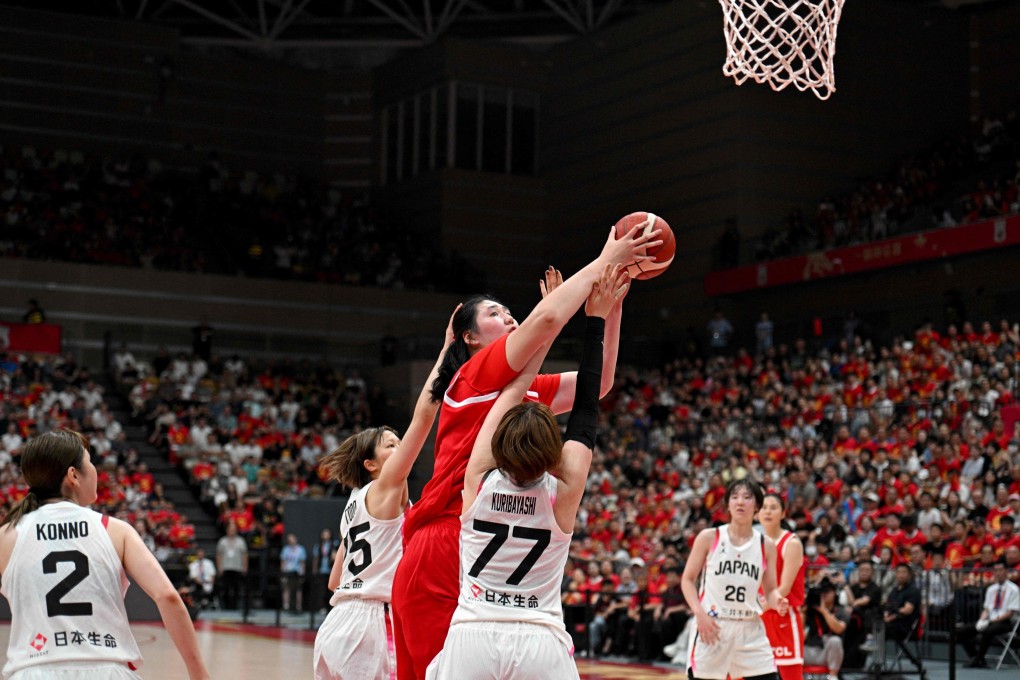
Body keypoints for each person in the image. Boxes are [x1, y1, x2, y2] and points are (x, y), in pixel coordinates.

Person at [392, 224, 659, 680]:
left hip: (481, 546)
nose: (512, 318)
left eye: (513, 312)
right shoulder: (474, 374)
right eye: (496, 314)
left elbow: (600, 384)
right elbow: (548, 321)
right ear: (470, 339)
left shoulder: (524, 390)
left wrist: (612, 308)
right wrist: (605, 261)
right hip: (444, 542)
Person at [426, 267, 625, 679]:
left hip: (475, 631)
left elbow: (518, 393)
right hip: (539, 635)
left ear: (498, 442)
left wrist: (556, 318)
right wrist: (599, 315)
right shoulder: (563, 491)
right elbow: (588, 406)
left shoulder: (477, 480)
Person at [313, 306, 457, 680]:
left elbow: (334, 580)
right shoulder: (384, 488)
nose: (399, 450)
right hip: (372, 624)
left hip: (338, 620)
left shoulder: (354, 505)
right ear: (371, 465)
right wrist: (447, 353)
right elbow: (424, 418)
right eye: (390, 446)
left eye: (398, 443)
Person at [0, 429, 209, 680]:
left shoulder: (7, 536)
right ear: (73, 475)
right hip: (108, 671)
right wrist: (199, 674)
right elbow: (168, 597)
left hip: (32, 671)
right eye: (90, 463)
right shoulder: (114, 531)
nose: (96, 472)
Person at [681, 479, 788, 680]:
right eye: (735, 497)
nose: (740, 502)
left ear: (757, 506)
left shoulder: (766, 546)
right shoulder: (709, 537)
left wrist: (777, 600)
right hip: (713, 626)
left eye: (747, 498)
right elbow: (687, 580)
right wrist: (699, 613)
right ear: (728, 504)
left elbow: (771, 589)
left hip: (750, 628)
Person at [757, 493, 806, 680]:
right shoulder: (755, 542)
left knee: (790, 676)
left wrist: (756, 609)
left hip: (783, 616)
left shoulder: (791, 543)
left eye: (773, 507)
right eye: (764, 507)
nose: (768, 511)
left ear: (783, 513)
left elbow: (784, 588)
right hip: (760, 616)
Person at [956, 561, 1020, 667]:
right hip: (989, 620)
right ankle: (975, 657)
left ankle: (978, 659)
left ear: (1006, 571)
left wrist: (990, 621)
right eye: (996, 571)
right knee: (962, 631)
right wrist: (982, 620)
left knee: (988, 631)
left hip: (1005, 622)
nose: (998, 573)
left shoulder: (1014, 589)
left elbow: (1009, 613)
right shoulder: (991, 589)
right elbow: (986, 609)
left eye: (1001, 570)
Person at [880, 564, 922, 673]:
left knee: (884, 628)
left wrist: (891, 617)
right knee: (877, 626)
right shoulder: (894, 590)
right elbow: (888, 606)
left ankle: (879, 661)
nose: (901, 575)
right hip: (891, 624)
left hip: (906, 626)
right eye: (899, 572)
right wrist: (885, 615)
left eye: (904, 572)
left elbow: (907, 610)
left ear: (909, 575)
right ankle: (878, 661)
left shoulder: (913, 591)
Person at [803, 579, 846, 680]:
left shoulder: (840, 610)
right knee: (795, 641)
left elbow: (839, 629)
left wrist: (824, 611)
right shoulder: (809, 610)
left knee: (835, 641)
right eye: (821, 592)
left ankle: (833, 675)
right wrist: (802, 611)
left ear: (834, 593)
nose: (823, 595)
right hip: (808, 650)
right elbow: (799, 630)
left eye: (826, 592)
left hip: (827, 653)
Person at [216, 521, 247, 610]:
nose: (232, 531)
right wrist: (219, 567)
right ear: (227, 530)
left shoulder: (241, 541)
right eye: (230, 529)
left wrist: (244, 567)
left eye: (233, 529)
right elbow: (219, 555)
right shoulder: (222, 541)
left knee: (236, 589)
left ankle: (235, 607)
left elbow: (244, 555)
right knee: (225, 588)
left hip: (237, 568)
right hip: (226, 568)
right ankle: (226, 607)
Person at [280, 533, 306, 613]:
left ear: (296, 539)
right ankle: (286, 605)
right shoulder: (285, 549)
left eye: (292, 539)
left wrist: (302, 574)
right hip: (288, 571)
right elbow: (283, 562)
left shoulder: (300, 549)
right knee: (286, 589)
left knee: (298, 589)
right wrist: (282, 574)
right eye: (289, 539)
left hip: (297, 572)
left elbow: (302, 562)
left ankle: (298, 606)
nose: (291, 541)